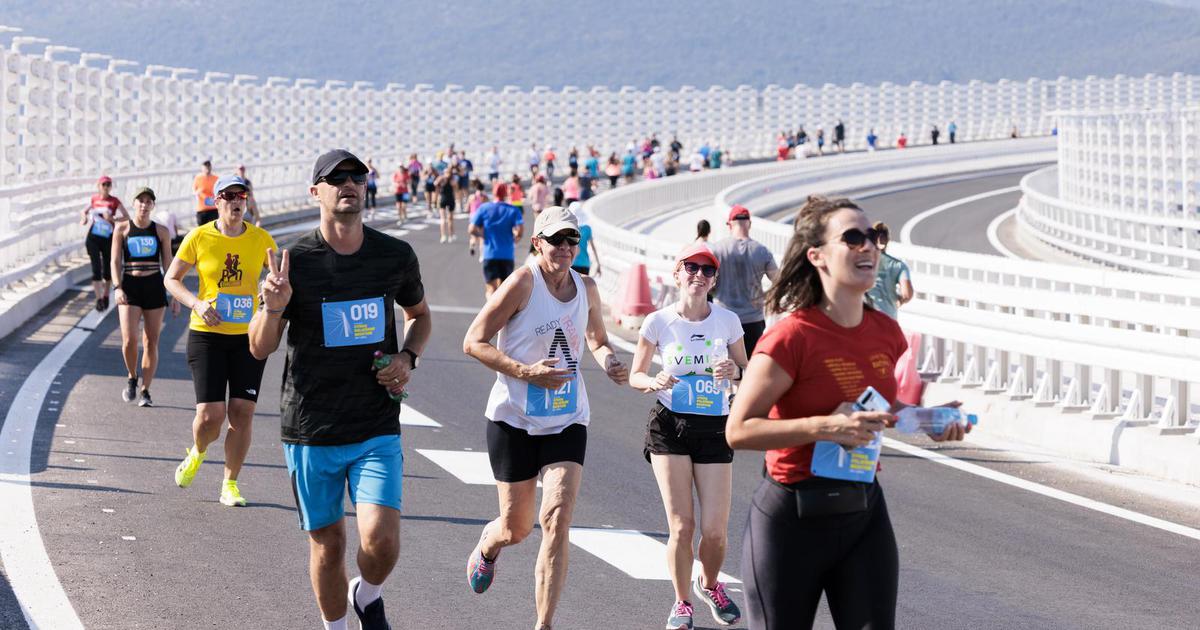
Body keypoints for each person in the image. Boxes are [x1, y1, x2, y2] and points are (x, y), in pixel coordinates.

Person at [725, 195, 969, 630]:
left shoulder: (887, 332)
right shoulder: (791, 338)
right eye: (852, 238)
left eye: (873, 236)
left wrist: (925, 420)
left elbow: (876, 405)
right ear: (817, 255)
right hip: (791, 516)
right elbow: (739, 430)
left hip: (863, 511)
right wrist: (825, 427)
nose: (868, 246)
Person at [249, 149, 431, 630]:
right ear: (316, 192)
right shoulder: (293, 262)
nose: (348, 184)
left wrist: (407, 357)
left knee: (381, 541)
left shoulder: (394, 256)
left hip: (375, 424)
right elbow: (259, 347)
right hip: (311, 427)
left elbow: (420, 317)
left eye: (356, 177)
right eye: (336, 178)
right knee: (328, 544)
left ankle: (367, 594)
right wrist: (272, 306)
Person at [462, 205, 628, 630]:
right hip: (513, 419)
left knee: (556, 518)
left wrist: (610, 361)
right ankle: (489, 544)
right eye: (557, 239)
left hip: (566, 417)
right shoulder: (522, 283)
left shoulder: (586, 287)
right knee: (516, 528)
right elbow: (473, 341)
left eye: (573, 240)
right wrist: (526, 372)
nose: (566, 247)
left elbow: (598, 339)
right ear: (537, 242)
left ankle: (544, 624)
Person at [629, 243, 746, 630]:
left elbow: (748, 373)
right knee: (682, 525)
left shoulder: (727, 321)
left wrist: (733, 372)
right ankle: (681, 604)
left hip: (715, 425)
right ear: (677, 274)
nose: (698, 275)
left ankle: (709, 584)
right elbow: (636, 375)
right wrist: (653, 380)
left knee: (715, 532)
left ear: (714, 280)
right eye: (691, 268)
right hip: (670, 425)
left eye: (707, 270)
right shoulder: (658, 322)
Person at [165, 173, 277, 508]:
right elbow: (172, 279)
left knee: (242, 412)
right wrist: (197, 303)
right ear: (217, 202)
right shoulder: (199, 238)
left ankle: (230, 483)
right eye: (228, 196)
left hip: (248, 337)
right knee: (212, 416)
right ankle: (198, 452)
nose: (235, 201)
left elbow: (275, 278)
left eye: (241, 196)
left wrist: (266, 296)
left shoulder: (261, 239)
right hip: (207, 334)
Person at [110, 186, 178, 407]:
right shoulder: (122, 228)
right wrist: (117, 287)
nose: (144, 205)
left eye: (149, 202)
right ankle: (132, 376)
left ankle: (146, 390)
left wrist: (175, 294)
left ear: (153, 206)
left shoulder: (161, 231)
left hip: (154, 286)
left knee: (151, 341)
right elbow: (114, 261)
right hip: (130, 284)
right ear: (134, 203)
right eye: (140, 201)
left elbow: (168, 263)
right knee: (129, 340)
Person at [710, 205, 779, 355]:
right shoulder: (761, 250)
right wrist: (765, 297)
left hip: (723, 317)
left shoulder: (717, 250)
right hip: (753, 319)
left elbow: (707, 282)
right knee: (750, 369)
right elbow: (779, 281)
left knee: (724, 369)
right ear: (749, 224)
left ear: (730, 224)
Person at [81, 175, 128, 312]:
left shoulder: (114, 201)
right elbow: (84, 211)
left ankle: (106, 294)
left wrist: (112, 219)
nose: (106, 187)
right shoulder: (94, 199)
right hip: (94, 237)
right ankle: (98, 299)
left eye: (108, 184)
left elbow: (126, 217)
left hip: (108, 238)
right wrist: (84, 218)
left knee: (107, 268)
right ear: (99, 186)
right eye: (104, 184)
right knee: (96, 268)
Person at [469, 182, 524, 297]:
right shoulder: (513, 210)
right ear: (506, 193)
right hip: (507, 254)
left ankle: (491, 312)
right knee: (505, 290)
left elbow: (471, 229)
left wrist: (483, 236)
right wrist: (515, 239)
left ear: (493, 193)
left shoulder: (484, 208)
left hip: (489, 254)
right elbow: (520, 230)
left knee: (491, 289)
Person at [865, 222, 913, 320]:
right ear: (887, 240)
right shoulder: (898, 265)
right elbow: (907, 294)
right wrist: (899, 301)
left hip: (866, 316)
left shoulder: (862, 261)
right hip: (888, 318)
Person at [569, 203, 600, 276]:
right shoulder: (587, 229)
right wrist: (598, 263)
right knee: (583, 286)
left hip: (572, 263)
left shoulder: (570, 229)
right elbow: (593, 248)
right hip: (585, 263)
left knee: (572, 287)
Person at [435, 166, 457, 243]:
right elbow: (455, 188)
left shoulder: (448, 179)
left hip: (445, 199)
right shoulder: (449, 179)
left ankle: (446, 235)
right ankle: (448, 235)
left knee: (446, 219)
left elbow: (436, 184)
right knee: (447, 219)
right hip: (447, 199)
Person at [193, 160, 219, 226]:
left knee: (213, 229)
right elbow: (194, 191)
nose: (207, 169)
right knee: (201, 230)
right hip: (202, 209)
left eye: (209, 167)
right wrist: (198, 193)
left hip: (213, 209)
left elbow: (219, 192)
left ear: (211, 167)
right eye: (206, 167)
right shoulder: (198, 178)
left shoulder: (216, 178)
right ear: (202, 168)